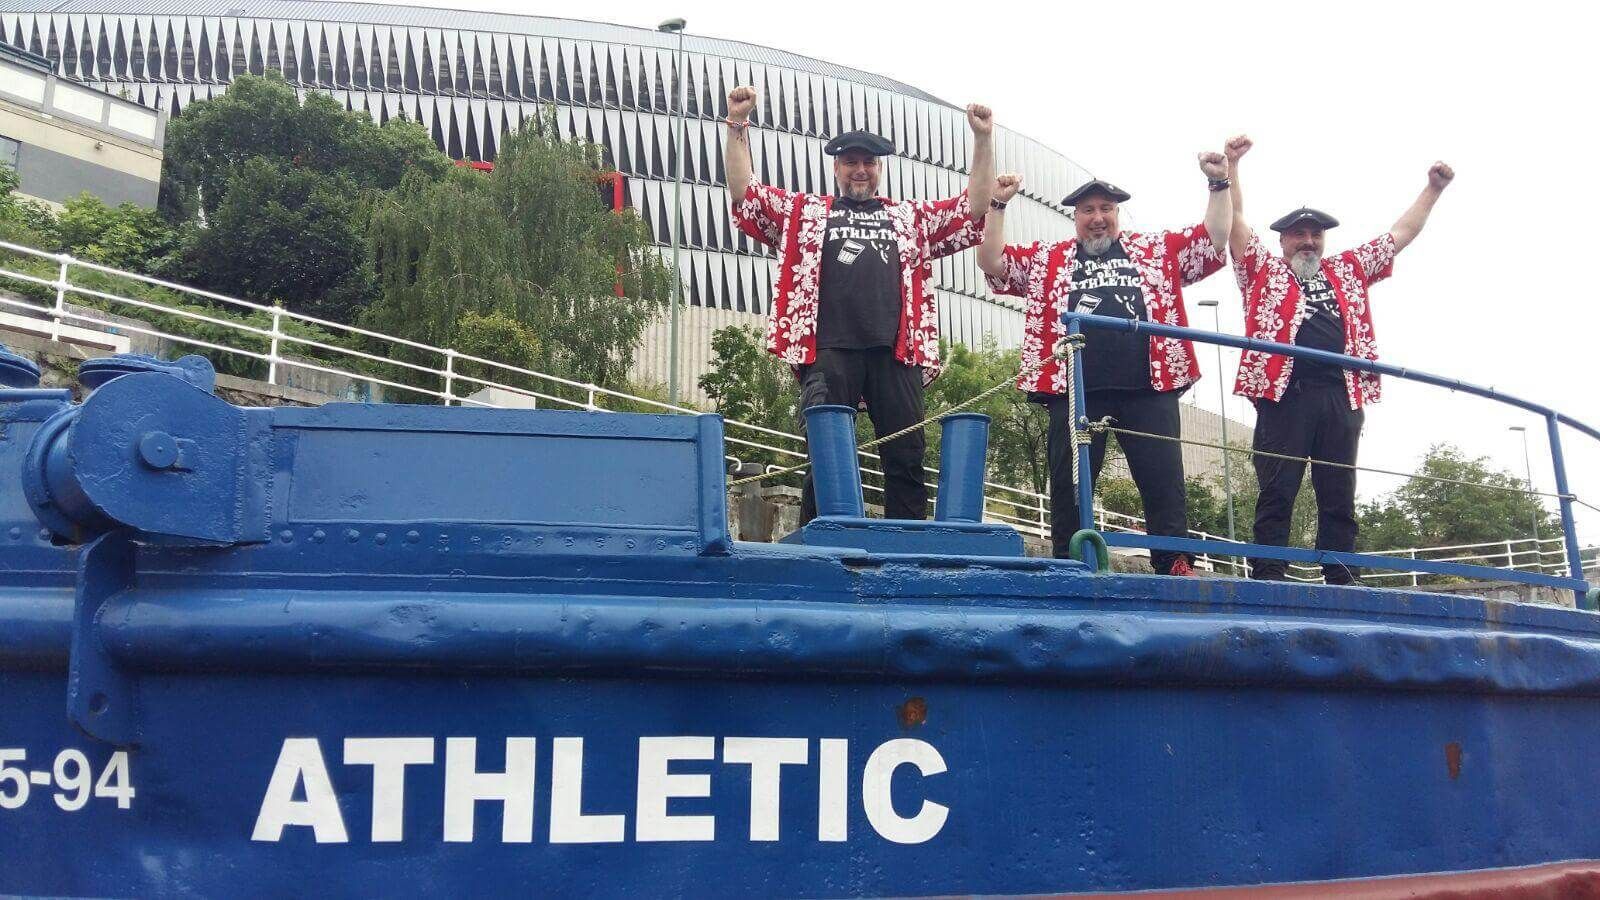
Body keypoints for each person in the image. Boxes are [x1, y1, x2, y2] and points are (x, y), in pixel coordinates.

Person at [725, 85, 994, 522]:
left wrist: (983, 139)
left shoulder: (909, 219)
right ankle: (822, 541)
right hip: (829, 348)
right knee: (825, 455)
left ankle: (906, 549)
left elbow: (974, 207)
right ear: (836, 167)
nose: (861, 170)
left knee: (906, 455)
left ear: (879, 168)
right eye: (851, 161)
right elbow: (745, 194)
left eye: (869, 162)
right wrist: (738, 123)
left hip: (897, 350)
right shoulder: (806, 213)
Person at [978, 153, 1232, 575]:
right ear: (1075, 218)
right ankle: (1069, 563)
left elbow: (1214, 239)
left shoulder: (1154, 251)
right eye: (1088, 210)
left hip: (1149, 386)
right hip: (1075, 389)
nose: (1098, 218)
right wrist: (999, 206)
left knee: (1163, 479)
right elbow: (993, 263)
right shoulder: (1050, 258)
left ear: (1118, 214)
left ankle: (1173, 562)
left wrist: (1219, 182)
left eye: (1106, 209)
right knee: (1069, 484)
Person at [1224, 135, 1454, 584]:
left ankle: (1341, 573)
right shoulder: (1262, 270)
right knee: (1276, 487)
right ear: (1283, 240)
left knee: (1338, 490)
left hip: (1341, 394)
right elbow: (1234, 222)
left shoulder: (1347, 269)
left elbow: (1399, 235)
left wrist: (1433, 189)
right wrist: (1232, 167)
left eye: (1315, 234)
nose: (1307, 241)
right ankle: (1269, 572)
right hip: (1283, 395)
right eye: (1298, 234)